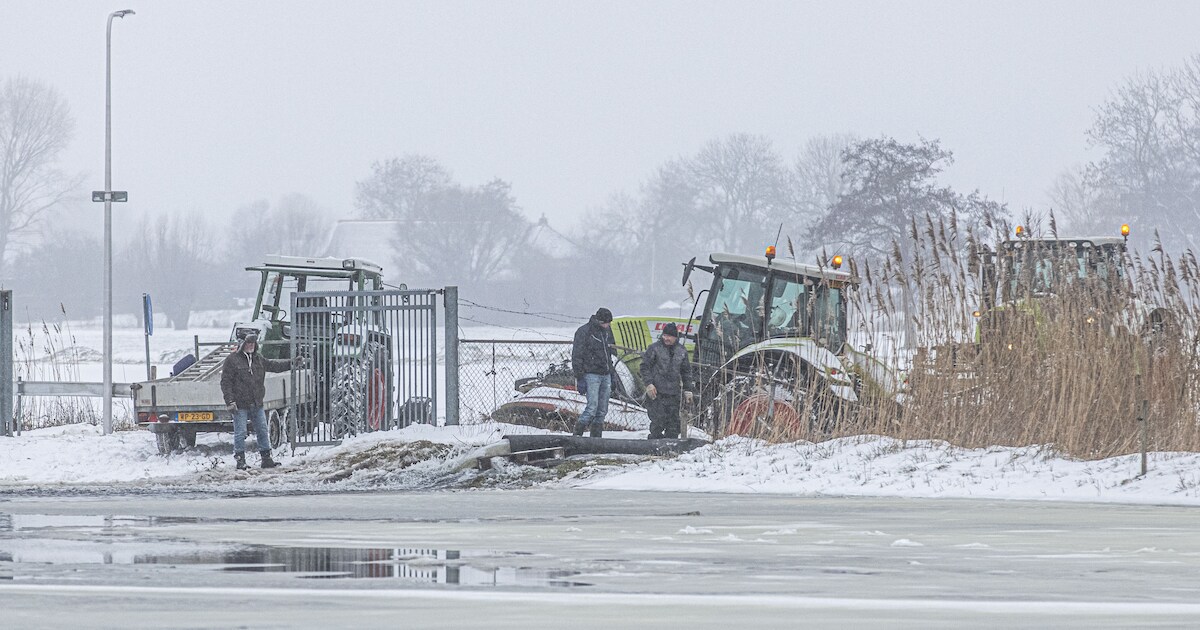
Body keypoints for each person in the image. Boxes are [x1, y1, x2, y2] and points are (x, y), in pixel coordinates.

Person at [219, 333, 297, 470]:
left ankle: (266, 459)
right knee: (240, 432)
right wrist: (230, 401)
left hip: (257, 403)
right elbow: (226, 382)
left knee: (262, 430)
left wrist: (292, 363)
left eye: (253, 343)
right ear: (242, 344)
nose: (251, 345)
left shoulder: (258, 359)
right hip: (240, 404)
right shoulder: (232, 360)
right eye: (248, 343)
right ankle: (240, 461)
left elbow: (274, 366)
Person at [640, 322, 695, 439]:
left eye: (669, 336)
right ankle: (654, 445)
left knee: (673, 425)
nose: (666, 338)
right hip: (657, 392)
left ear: (675, 337)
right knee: (658, 423)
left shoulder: (681, 351)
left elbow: (686, 372)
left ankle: (670, 446)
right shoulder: (654, 348)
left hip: (674, 394)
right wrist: (649, 384)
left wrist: (688, 389)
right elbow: (645, 367)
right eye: (664, 335)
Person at [572, 307, 616, 438]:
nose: (608, 325)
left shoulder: (606, 332)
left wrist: (612, 374)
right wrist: (580, 377)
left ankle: (596, 438)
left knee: (602, 410)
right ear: (599, 321)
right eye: (606, 323)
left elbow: (609, 355)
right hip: (591, 374)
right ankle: (577, 435)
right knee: (592, 408)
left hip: (606, 374)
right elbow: (577, 355)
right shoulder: (584, 332)